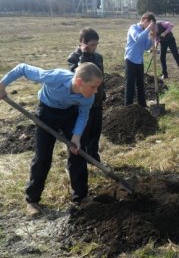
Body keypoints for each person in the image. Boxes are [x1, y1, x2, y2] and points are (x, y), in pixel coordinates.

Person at [0, 62, 103, 217]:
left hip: (70, 114)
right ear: (80, 82)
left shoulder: (87, 98)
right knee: (42, 156)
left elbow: (83, 115)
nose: (95, 92)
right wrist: (2, 84)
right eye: (93, 87)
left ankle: (80, 196)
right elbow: (22, 68)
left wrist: (76, 137)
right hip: (47, 113)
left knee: (78, 153)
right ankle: (32, 200)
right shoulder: (56, 77)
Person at [67, 27, 105, 163]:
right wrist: (83, 55)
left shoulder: (98, 57)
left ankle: (94, 158)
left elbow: (100, 78)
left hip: (97, 101)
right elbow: (79, 76)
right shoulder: (74, 58)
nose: (94, 48)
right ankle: (79, 161)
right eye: (92, 45)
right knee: (83, 133)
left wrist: (102, 95)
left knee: (95, 131)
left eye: (96, 45)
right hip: (82, 104)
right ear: (83, 42)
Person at [124, 12, 156, 107]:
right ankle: (128, 107)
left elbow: (146, 47)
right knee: (130, 85)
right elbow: (137, 38)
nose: (151, 27)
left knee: (140, 85)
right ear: (145, 20)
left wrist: (151, 38)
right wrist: (148, 29)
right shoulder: (133, 28)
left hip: (139, 61)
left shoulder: (144, 31)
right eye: (150, 24)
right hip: (130, 59)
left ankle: (142, 106)